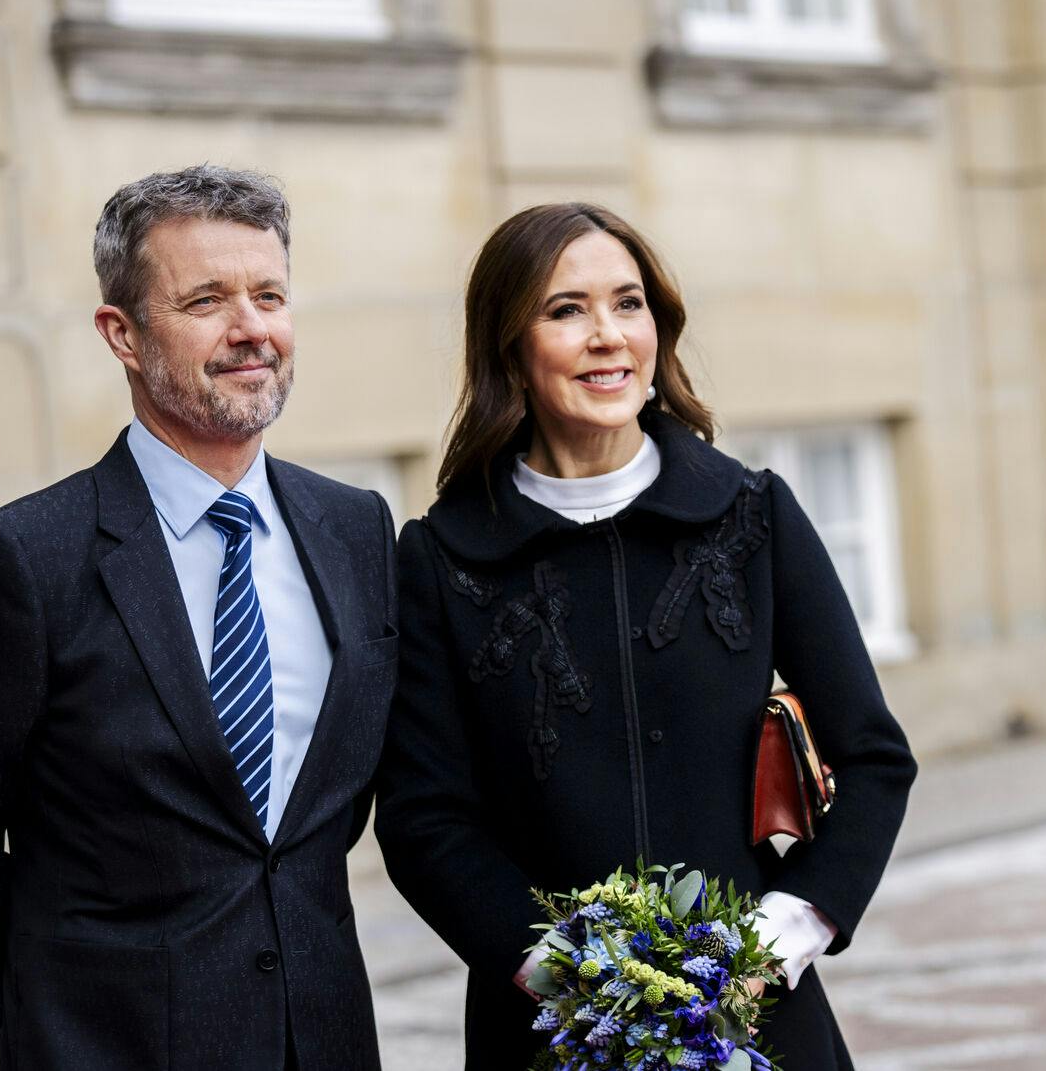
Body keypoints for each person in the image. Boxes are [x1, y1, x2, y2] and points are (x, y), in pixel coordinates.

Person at [376, 203, 917, 1069]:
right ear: (509, 343)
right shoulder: (441, 558)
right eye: (566, 310)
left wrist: (774, 941)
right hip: (550, 1037)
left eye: (628, 304)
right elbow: (423, 816)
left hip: (754, 1019)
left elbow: (875, 758)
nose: (608, 336)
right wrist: (566, 972)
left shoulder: (753, 516)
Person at [0, 165, 397, 1070]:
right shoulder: (23, 559)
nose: (251, 330)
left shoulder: (356, 528)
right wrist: (50, 1023)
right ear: (123, 334)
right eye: (206, 300)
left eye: (269, 295)